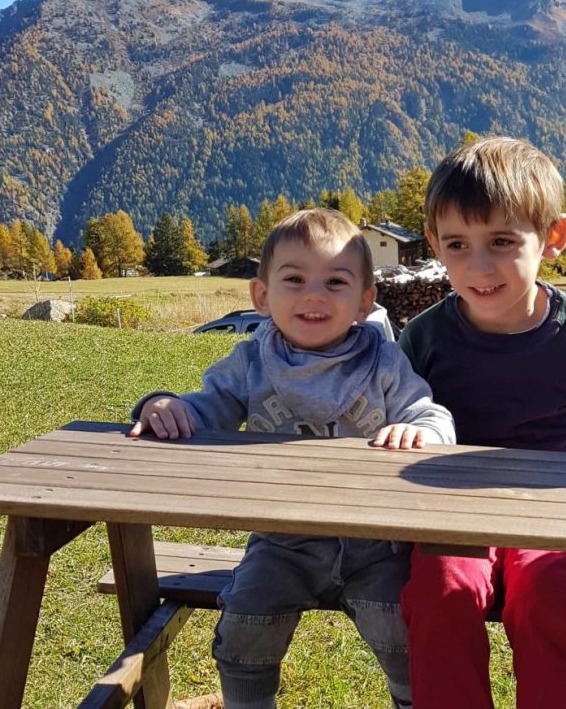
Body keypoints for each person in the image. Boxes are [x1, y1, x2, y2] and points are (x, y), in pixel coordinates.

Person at [129, 208, 455, 709]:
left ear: (365, 301)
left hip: (375, 543)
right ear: (262, 296)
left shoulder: (384, 362)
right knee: (245, 628)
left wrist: (420, 430)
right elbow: (208, 407)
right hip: (281, 540)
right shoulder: (251, 362)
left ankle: (412, 699)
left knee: (403, 632)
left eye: (336, 282)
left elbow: (429, 413)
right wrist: (165, 405)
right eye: (295, 279)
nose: (314, 295)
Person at [396, 136, 566, 709]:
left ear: (553, 236)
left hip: (556, 518)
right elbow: (393, 422)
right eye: (457, 244)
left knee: (554, 595)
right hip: (452, 516)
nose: (479, 266)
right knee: (441, 591)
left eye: (502, 241)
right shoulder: (424, 339)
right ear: (434, 243)